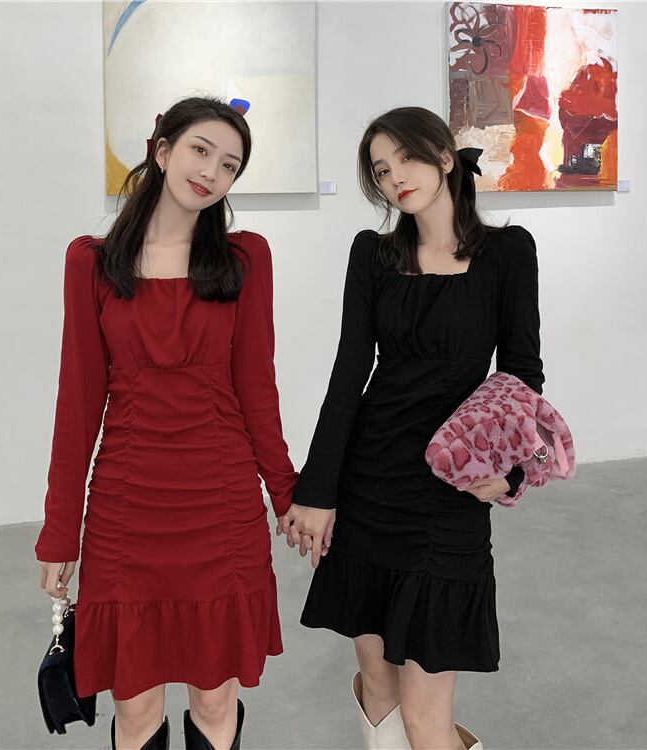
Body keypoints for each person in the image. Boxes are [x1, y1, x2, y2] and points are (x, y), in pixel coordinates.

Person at [35, 96, 297, 750]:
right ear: (161, 151)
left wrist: (287, 494)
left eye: (229, 164)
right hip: (128, 509)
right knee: (135, 707)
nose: (211, 171)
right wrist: (60, 531)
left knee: (215, 700)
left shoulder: (244, 260)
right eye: (200, 150)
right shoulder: (92, 263)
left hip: (221, 503)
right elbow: (77, 406)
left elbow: (257, 390)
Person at [278, 107, 544, 750]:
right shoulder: (372, 255)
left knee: (426, 714)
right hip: (370, 481)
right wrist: (317, 491)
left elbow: (522, 374)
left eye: (406, 158)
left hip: (449, 492)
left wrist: (509, 472)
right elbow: (349, 373)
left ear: (445, 158)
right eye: (380, 170)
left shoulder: (508, 252)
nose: (395, 176)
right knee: (377, 682)